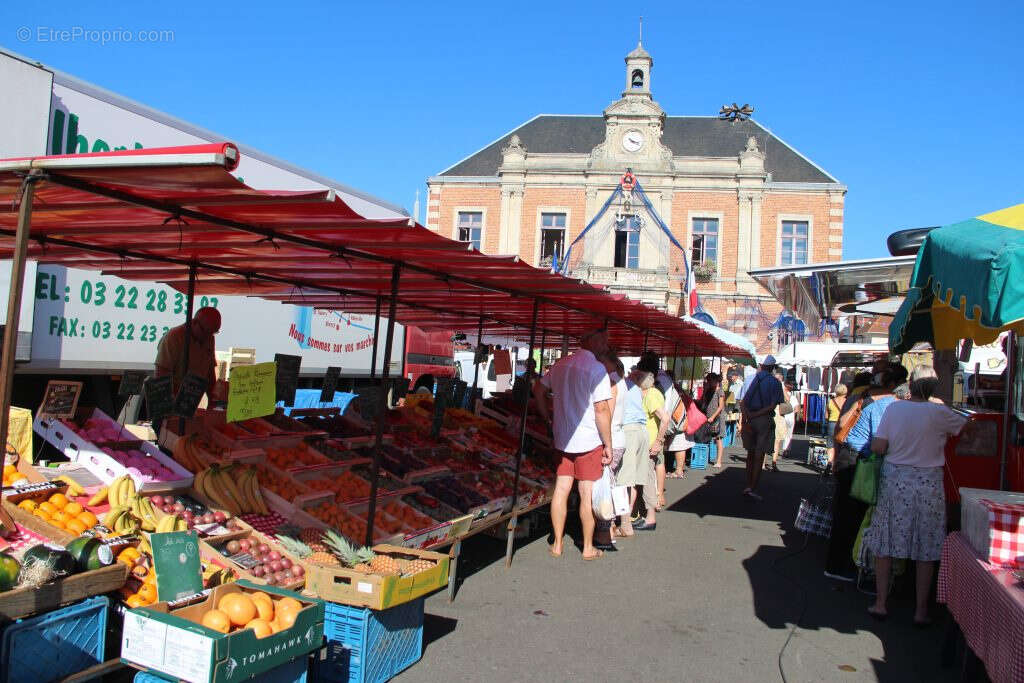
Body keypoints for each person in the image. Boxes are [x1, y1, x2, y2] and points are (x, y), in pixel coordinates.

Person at [863, 365, 967, 624]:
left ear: (910, 384)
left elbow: (878, 445)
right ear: (934, 387)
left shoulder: (895, 409)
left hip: (896, 480)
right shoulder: (939, 412)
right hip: (929, 482)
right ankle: (921, 610)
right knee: (926, 547)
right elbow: (967, 428)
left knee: (886, 542)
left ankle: (880, 603)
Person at [532, 328, 613, 560]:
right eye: (604, 341)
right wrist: (608, 443)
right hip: (588, 441)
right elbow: (601, 410)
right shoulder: (597, 369)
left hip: (563, 438)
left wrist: (546, 416)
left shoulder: (561, 364)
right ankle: (587, 548)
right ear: (594, 342)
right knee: (585, 494)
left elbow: (538, 389)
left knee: (561, 489)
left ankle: (557, 543)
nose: (606, 345)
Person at [824, 366, 903, 582]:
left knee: (847, 514)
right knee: (851, 515)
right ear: (895, 386)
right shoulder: (884, 404)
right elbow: (879, 442)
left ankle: (838, 563)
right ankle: (838, 566)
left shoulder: (864, 395)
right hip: (857, 460)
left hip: (849, 457)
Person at [153, 306, 222, 432]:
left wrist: (213, 400)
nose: (209, 336)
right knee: (170, 447)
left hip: (190, 405)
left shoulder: (209, 338)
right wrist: (173, 408)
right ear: (194, 323)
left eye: (213, 332)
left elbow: (210, 372)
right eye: (206, 331)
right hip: (170, 410)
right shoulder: (174, 337)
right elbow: (161, 377)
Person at [739, 356, 785, 500]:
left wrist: (747, 418)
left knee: (750, 453)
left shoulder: (750, 379)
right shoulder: (775, 383)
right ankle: (752, 486)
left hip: (749, 418)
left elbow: (742, 402)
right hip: (763, 419)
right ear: (772, 367)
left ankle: (748, 483)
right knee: (759, 454)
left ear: (761, 365)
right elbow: (773, 406)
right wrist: (756, 415)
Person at [595, 352, 627, 549]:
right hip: (618, 437)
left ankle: (605, 533)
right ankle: (612, 527)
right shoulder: (620, 382)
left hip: (612, 439)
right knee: (611, 484)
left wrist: (605, 442)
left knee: (604, 488)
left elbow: (607, 413)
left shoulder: (612, 383)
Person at [636, 369, 669, 530]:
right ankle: (646, 514)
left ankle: (650, 518)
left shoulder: (650, 395)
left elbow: (665, 418)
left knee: (648, 479)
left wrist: (658, 441)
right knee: (646, 478)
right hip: (647, 443)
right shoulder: (653, 393)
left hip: (649, 444)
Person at [698, 373, 725, 468]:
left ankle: (718, 461)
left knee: (718, 439)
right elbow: (703, 402)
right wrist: (705, 390)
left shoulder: (720, 391)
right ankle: (705, 458)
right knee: (706, 437)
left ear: (716, 381)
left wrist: (713, 417)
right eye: (708, 381)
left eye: (710, 381)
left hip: (717, 418)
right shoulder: (709, 391)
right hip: (708, 417)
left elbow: (720, 406)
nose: (709, 383)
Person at [825, 384, 847, 467]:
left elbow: (826, 416)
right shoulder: (847, 401)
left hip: (832, 423)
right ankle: (837, 464)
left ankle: (830, 462)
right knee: (841, 444)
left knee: (831, 444)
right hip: (843, 424)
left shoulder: (831, 401)